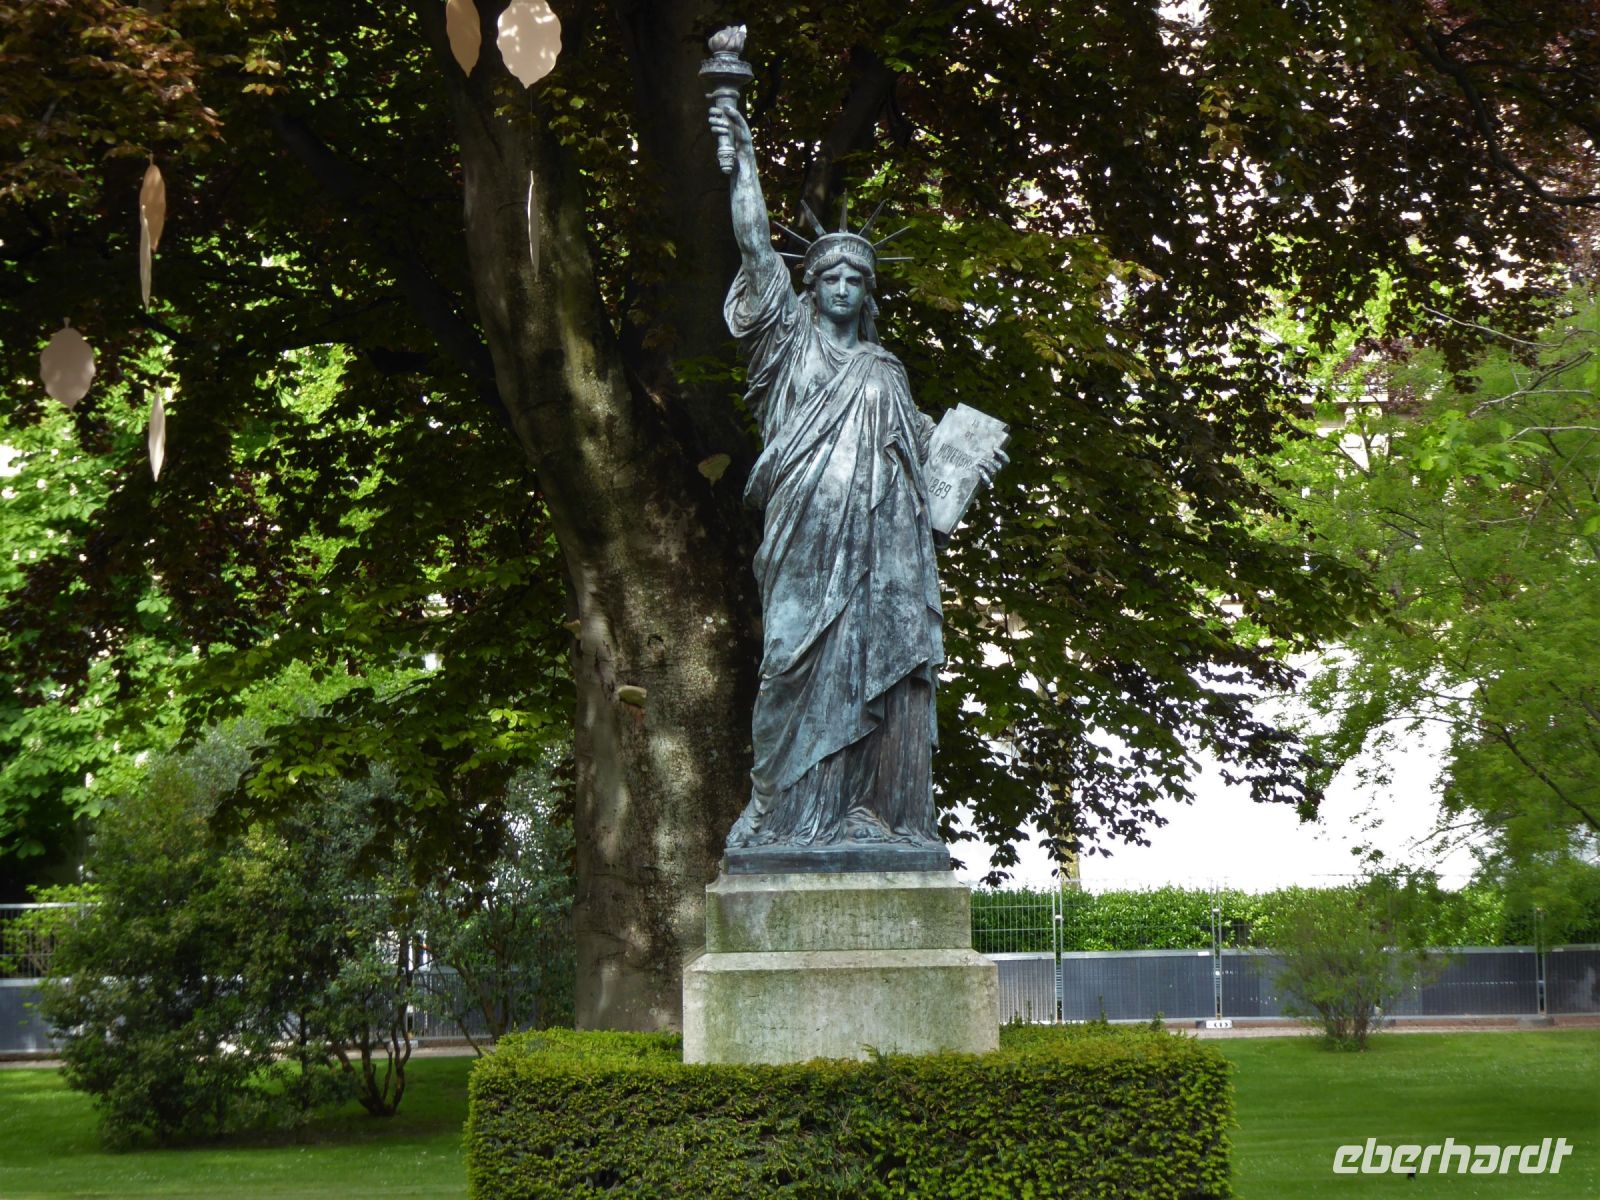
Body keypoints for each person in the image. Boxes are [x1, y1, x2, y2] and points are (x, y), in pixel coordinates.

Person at [709, 102, 1001, 870]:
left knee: (883, 675)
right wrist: (742, 163)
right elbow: (753, 247)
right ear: (809, 289)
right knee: (787, 666)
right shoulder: (787, 344)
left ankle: (870, 812)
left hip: (881, 560)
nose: (842, 285)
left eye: (856, 277)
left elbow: (926, 455)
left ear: (868, 292)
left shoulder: (886, 371)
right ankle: (780, 815)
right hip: (804, 541)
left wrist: (965, 458)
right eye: (829, 274)